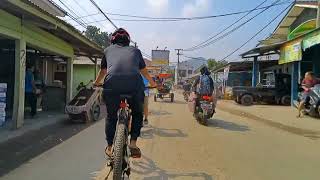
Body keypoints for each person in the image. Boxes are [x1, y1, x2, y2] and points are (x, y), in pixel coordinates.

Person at [93, 28, 156, 158]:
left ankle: (110, 147)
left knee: (111, 117)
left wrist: (96, 82)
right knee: (138, 114)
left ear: (113, 41)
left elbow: (103, 72)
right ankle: (133, 143)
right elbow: (144, 72)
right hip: (134, 86)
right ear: (128, 41)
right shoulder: (136, 51)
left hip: (112, 87)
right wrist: (153, 83)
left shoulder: (107, 50)